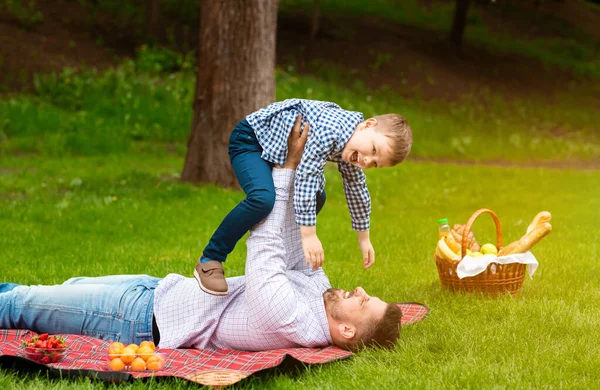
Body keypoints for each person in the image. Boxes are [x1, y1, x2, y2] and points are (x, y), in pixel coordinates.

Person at [0, 122, 403, 352]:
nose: (362, 290)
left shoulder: (291, 320)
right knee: (40, 291)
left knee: (20, 304)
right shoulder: (321, 295)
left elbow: (264, 247)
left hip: (135, 320)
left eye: (365, 303)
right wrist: (303, 185)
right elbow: (291, 243)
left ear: (347, 331)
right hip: (155, 291)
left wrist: (286, 169)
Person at [196, 98, 413, 296]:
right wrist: (309, 235)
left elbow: (357, 188)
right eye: (373, 149)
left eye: (375, 163)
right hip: (252, 142)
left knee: (318, 198)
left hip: (277, 151)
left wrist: (363, 237)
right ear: (368, 124)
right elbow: (307, 176)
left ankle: (287, 257)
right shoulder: (331, 128)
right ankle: (211, 258)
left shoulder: (353, 142)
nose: (367, 161)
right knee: (262, 198)